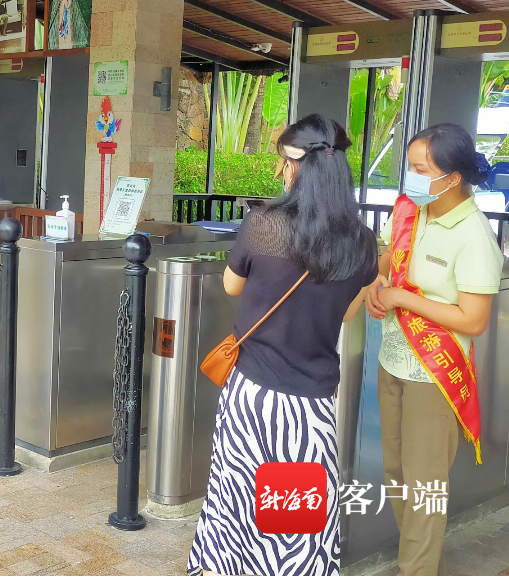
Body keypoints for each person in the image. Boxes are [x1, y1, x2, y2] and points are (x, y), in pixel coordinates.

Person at [188, 114, 379, 577]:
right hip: (310, 405)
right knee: (293, 514)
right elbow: (347, 312)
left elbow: (232, 286)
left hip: (252, 396)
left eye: (282, 162)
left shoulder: (263, 224)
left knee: (236, 498)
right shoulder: (362, 242)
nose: (279, 171)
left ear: (295, 166)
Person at [366, 124, 503, 576]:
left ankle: (416, 569)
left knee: (424, 486)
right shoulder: (411, 211)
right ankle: (423, 565)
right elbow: (389, 260)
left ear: (453, 177)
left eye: (421, 169)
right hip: (392, 361)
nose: (411, 178)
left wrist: (402, 299)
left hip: (434, 378)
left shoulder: (475, 237)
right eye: (410, 168)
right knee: (396, 475)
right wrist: (377, 285)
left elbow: (474, 320)